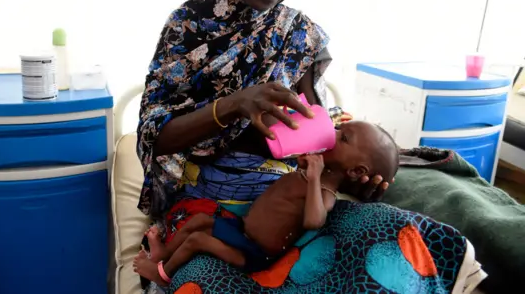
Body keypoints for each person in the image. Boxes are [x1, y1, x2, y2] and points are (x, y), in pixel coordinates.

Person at [136, 0, 392, 291]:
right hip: (205, 192)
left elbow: (317, 130)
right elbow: (156, 136)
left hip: (281, 201)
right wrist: (235, 104)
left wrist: (355, 177)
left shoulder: (297, 34)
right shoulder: (186, 29)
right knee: (198, 277)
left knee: (376, 242)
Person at [133, 121, 400, 287]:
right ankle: (164, 254)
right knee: (198, 221)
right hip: (242, 230)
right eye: (339, 126)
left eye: (343, 137)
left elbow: (314, 220)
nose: (334, 131)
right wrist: (307, 165)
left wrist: (315, 175)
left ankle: (163, 275)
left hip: (254, 252)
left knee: (197, 240)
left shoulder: (325, 189)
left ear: (355, 171)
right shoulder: (313, 171)